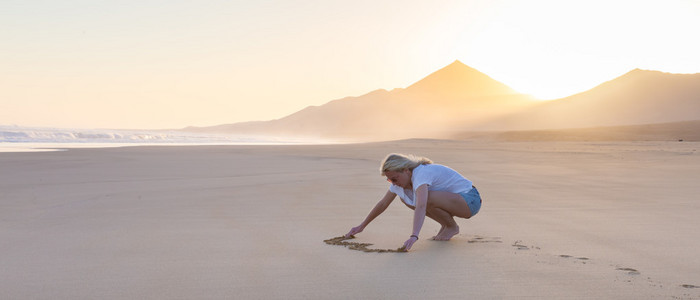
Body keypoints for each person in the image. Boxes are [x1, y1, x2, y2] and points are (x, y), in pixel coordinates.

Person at [345, 153, 482, 251]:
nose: (393, 183)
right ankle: (446, 225)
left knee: (424, 198)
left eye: (395, 179)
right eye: (389, 180)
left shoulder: (420, 174)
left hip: (470, 201)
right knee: (407, 199)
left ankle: (451, 227)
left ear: (406, 171)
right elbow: (383, 204)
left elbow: (422, 205)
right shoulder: (400, 182)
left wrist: (414, 236)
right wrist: (361, 226)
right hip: (455, 201)